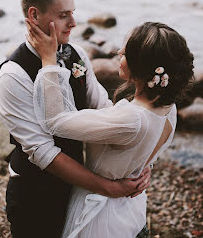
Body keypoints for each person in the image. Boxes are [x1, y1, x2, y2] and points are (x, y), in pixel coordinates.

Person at [0, 0, 150, 238]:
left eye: (73, 13)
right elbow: (43, 153)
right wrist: (107, 188)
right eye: (64, 15)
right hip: (36, 196)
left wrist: (139, 161)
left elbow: (103, 111)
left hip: (80, 187)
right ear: (34, 14)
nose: (74, 23)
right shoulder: (13, 75)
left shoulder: (76, 54)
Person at [26, 20, 194, 238]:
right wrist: (145, 167)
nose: (118, 51)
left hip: (101, 222)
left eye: (126, 52)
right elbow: (143, 147)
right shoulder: (168, 109)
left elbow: (56, 120)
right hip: (131, 210)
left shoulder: (131, 120)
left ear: (142, 68)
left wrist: (48, 61)